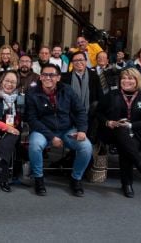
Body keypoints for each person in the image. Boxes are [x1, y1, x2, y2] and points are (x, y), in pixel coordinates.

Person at [26, 63, 92, 197]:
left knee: (86, 147)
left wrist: (82, 130)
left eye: (52, 75)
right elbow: (32, 119)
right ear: (40, 77)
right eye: (44, 75)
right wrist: (51, 137)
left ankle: (76, 179)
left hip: (67, 130)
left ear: (58, 78)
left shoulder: (68, 90)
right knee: (34, 146)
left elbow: (80, 111)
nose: (48, 78)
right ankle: (39, 179)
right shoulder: (32, 93)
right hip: (43, 131)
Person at [96, 68, 141, 198]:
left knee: (126, 147)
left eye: (130, 78)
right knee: (121, 130)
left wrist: (130, 125)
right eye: (124, 78)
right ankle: (138, 164)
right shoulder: (111, 95)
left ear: (137, 81)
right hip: (112, 132)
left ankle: (127, 184)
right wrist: (108, 122)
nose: (126, 81)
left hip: (136, 133)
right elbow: (98, 113)